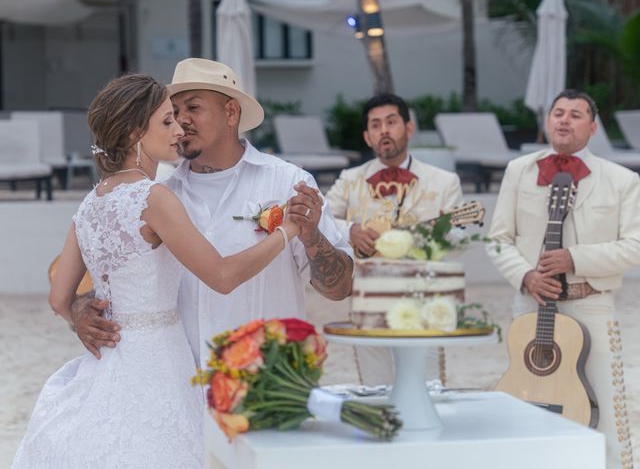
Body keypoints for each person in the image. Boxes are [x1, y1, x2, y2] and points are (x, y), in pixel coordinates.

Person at [12, 74, 302, 468]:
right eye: (166, 121)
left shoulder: (91, 202)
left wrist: (81, 318)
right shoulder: (154, 197)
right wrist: (288, 232)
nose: (178, 128)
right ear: (135, 133)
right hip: (158, 361)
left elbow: (59, 298)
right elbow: (221, 276)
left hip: (108, 360)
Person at [69, 58, 354, 373]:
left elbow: (339, 289)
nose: (182, 120)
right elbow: (96, 278)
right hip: (183, 383)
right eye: (174, 112)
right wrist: (81, 311)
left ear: (231, 112)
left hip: (268, 378)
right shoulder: (153, 194)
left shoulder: (288, 183)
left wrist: (312, 236)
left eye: (193, 107)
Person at [487, 89, 637, 469]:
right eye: (558, 113)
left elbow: (635, 246)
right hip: (532, 306)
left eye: (575, 114)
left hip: (593, 303)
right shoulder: (519, 170)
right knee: (527, 404)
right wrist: (525, 277)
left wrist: (575, 258)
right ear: (547, 120)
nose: (564, 120)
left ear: (593, 126)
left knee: (611, 411)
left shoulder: (622, 181)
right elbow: (498, 240)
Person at [325, 93, 463, 385]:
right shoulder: (350, 179)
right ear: (367, 136)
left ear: (408, 129)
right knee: (375, 389)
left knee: (427, 387)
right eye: (375, 125)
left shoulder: (444, 182)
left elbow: (458, 235)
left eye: (391, 122)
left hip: (424, 299)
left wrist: (427, 236)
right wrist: (351, 230)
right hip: (367, 299)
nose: (384, 130)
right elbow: (321, 218)